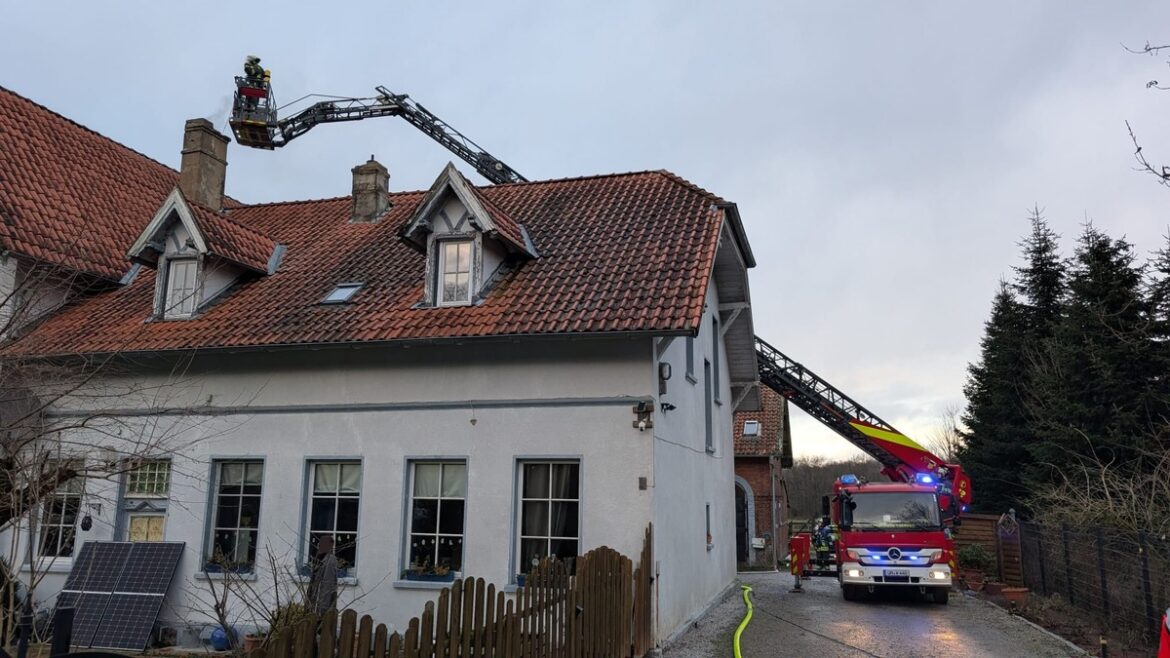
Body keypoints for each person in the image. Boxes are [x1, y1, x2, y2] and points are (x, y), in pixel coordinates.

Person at [306, 536, 338, 616]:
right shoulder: (320, 559)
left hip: (322, 608)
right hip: (314, 605)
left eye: (321, 544)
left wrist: (322, 609)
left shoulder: (330, 560)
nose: (318, 546)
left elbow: (327, 585)